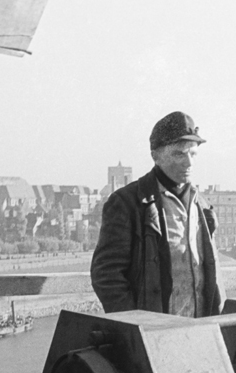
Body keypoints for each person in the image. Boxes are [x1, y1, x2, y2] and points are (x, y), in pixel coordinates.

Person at [91, 111, 223, 317]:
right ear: (156, 156)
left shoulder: (202, 205)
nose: (189, 162)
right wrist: (136, 326)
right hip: (154, 335)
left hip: (200, 332)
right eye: (179, 154)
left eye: (193, 154)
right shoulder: (127, 203)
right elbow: (106, 275)